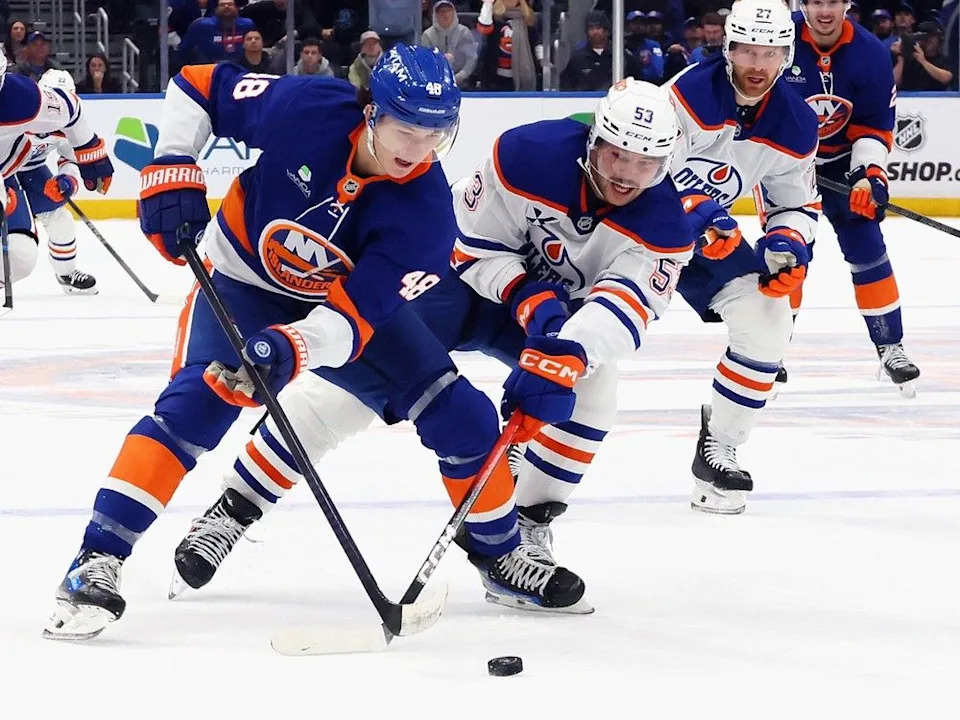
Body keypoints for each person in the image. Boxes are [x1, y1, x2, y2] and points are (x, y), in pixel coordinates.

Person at [41, 46, 563, 642]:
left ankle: (500, 555)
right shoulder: (306, 106)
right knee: (194, 406)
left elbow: (351, 321)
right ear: (371, 111)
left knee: (463, 417)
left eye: (434, 135)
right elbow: (199, 84)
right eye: (406, 129)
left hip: (337, 311)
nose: (418, 150)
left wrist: (294, 346)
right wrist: (172, 164)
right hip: (241, 282)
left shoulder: (426, 218)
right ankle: (95, 561)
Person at [167, 78, 694, 613]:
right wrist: (529, 298)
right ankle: (235, 506)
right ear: (593, 141)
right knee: (345, 394)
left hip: (545, 322)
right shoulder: (527, 154)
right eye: (616, 154)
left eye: (646, 163)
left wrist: (564, 355)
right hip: (449, 286)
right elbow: (467, 246)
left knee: (591, 387)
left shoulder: (666, 226)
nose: (626, 173)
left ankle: (520, 535)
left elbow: (622, 308)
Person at [661, 0, 820, 514]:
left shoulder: (796, 122)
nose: (758, 64)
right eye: (748, 50)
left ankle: (720, 447)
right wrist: (698, 211)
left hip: (710, 238)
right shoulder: (685, 95)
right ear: (727, 49)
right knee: (581, 335)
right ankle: (525, 441)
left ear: (787, 56)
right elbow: (640, 177)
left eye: (770, 53)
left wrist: (788, 241)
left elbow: (797, 203)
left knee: (769, 318)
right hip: (629, 232)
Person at [789, 0, 920, 396]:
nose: (824, 10)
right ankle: (766, 350)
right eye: (816, 1)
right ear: (803, 4)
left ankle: (890, 345)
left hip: (845, 164)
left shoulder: (871, 55)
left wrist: (868, 175)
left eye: (833, 0)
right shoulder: (778, 40)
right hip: (785, 164)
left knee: (868, 250)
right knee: (787, 254)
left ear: (846, 3)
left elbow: (873, 126)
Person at [0, 57, 114, 292]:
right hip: (8, 173)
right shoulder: (24, 111)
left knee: (60, 221)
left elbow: (71, 158)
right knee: (18, 242)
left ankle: (67, 273)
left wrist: (67, 180)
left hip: (33, 172)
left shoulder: (58, 122)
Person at [419, 0, 478, 88]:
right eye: (441, 11)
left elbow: (471, 59)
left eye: (448, 11)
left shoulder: (464, 32)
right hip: (435, 83)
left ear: (454, 13)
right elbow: (424, 61)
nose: (445, 14)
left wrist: (460, 77)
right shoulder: (427, 35)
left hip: (463, 83)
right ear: (435, 15)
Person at [178, 0, 254, 66]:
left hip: (240, 69)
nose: (226, 6)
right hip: (208, 70)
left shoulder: (247, 24)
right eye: (222, 4)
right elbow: (184, 50)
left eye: (230, 4)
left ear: (236, 8)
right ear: (216, 8)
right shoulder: (202, 25)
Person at [893, 21, 954, 91]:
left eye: (932, 37)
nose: (928, 41)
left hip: (934, 96)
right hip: (910, 96)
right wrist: (900, 56)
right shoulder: (911, 60)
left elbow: (946, 78)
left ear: (938, 39)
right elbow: (894, 82)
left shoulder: (943, 60)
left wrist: (923, 61)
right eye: (925, 38)